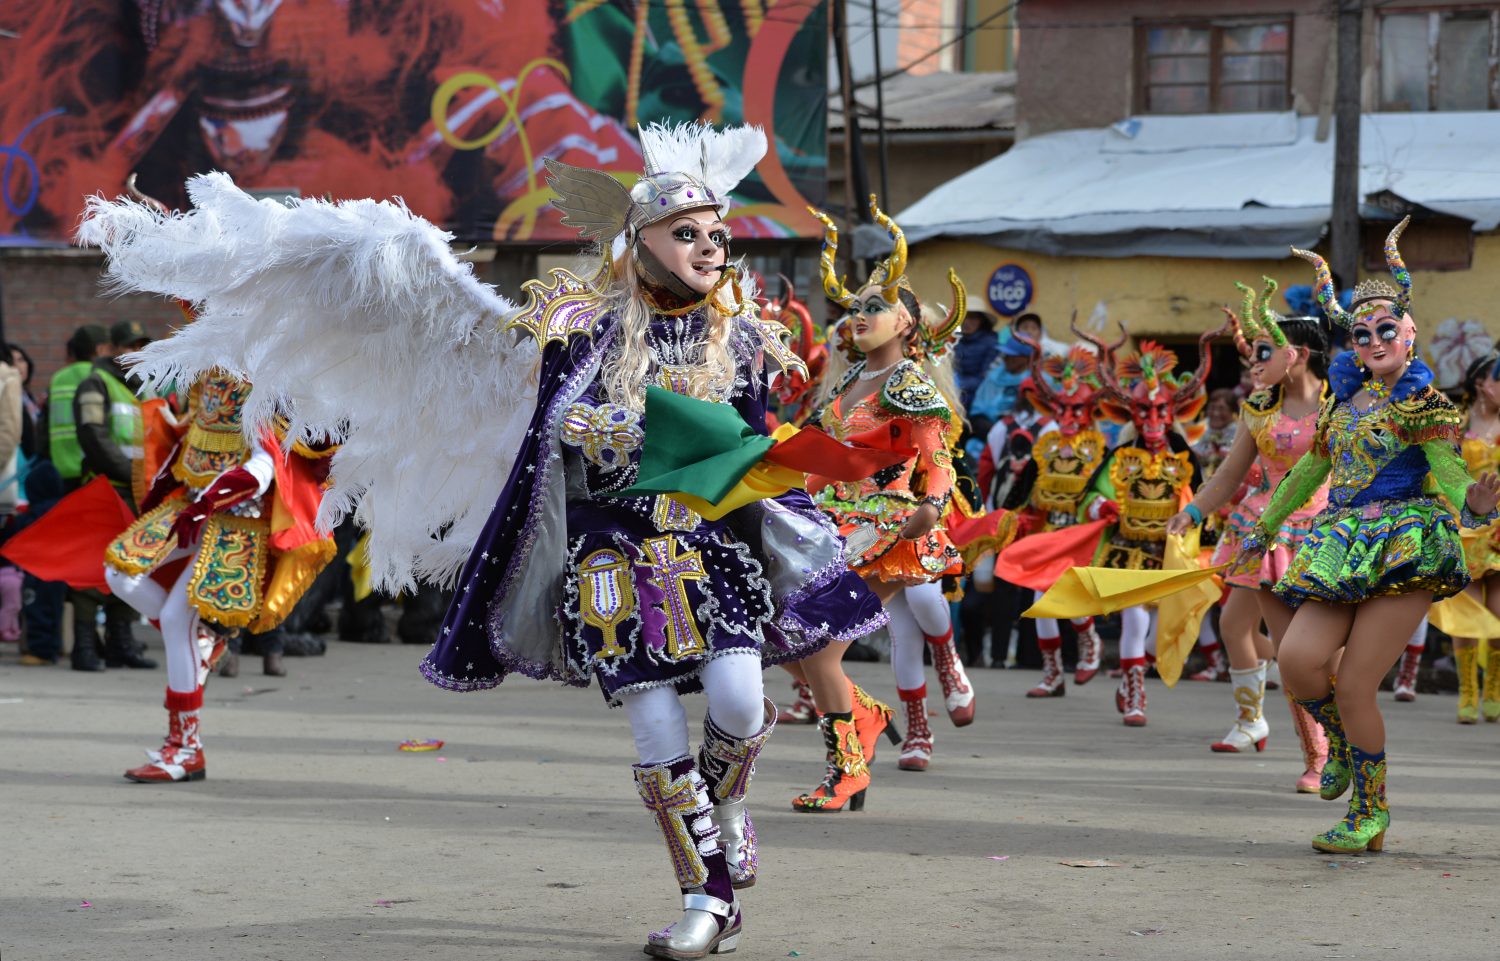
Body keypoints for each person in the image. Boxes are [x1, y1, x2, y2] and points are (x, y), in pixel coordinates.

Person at [81, 122, 887, 960]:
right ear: (639, 245)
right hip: (616, 554)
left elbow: (755, 440)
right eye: (686, 233)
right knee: (655, 728)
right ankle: (707, 896)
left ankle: (723, 811)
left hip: (711, 545)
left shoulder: (744, 336)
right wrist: (599, 426)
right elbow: (550, 436)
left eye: (716, 233)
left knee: (742, 703)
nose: (709, 247)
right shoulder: (583, 329)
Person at [1239, 219, 1500, 853]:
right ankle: (1348, 758)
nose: (1375, 339)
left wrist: (1472, 497)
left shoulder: (1427, 407)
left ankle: (1370, 810)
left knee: (1355, 683)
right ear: (1352, 344)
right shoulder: (1340, 406)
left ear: (1409, 334)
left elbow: (1447, 472)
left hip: (1407, 544)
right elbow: (1309, 470)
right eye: (1363, 333)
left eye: (1388, 329)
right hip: (1340, 544)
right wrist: (1265, 524)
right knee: (1299, 660)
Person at [795, 197, 988, 781]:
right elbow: (829, 460)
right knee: (793, 637)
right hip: (835, 522)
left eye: (874, 307)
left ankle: (851, 762)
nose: (859, 316)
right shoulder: (852, 379)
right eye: (854, 309)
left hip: (887, 527)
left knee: (832, 643)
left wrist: (931, 503)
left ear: (906, 322)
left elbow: (935, 450)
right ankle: (879, 724)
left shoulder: (905, 381)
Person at [102, 368, 336, 782]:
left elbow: (267, 465)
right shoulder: (208, 373)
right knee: (119, 571)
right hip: (190, 504)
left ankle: (186, 748)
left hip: (237, 520)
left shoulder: (270, 380)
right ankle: (205, 640)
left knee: (177, 621)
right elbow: (191, 440)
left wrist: (209, 501)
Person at [1167, 280, 1335, 790]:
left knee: (1295, 654)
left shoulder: (1338, 406)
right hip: (1260, 532)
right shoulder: (1260, 408)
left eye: (1265, 351)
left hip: (1315, 535)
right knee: (1235, 625)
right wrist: (1193, 511)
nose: (1254, 361)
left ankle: (1319, 755)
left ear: (1298, 354)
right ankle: (1252, 720)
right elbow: (1230, 475)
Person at [1074, 319, 1224, 726]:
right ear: (1132, 413)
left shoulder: (1183, 456)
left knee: (1164, 620)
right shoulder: (1120, 455)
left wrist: (1201, 535)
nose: (1154, 419)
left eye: (1161, 410)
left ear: (1173, 412)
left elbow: (1201, 499)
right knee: (1135, 616)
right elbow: (1092, 493)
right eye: (1144, 410)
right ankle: (1135, 686)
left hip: (1170, 552)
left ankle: (1132, 679)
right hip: (1127, 549)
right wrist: (1099, 508)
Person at [72, 320, 157, 672]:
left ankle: (121, 644)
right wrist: (131, 474)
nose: (136, 353)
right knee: (92, 571)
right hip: (106, 489)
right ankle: (85, 645)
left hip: (139, 493)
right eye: (129, 346)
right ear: (113, 349)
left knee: (132, 566)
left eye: (142, 346)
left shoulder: (146, 390)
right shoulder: (95, 383)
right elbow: (93, 435)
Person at [1438, 352, 1500, 723]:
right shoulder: (1456, 423)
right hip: (1466, 527)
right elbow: (1443, 471)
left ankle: (1493, 686)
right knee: (1465, 616)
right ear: (1482, 383)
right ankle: (1467, 692)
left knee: (1497, 617)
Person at [954, 310, 998, 410]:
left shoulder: (991, 342)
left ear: (982, 321)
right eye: (964, 317)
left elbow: (986, 377)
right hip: (955, 391)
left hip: (979, 397)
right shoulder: (954, 339)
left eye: (973, 318)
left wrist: (957, 384)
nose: (967, 322)